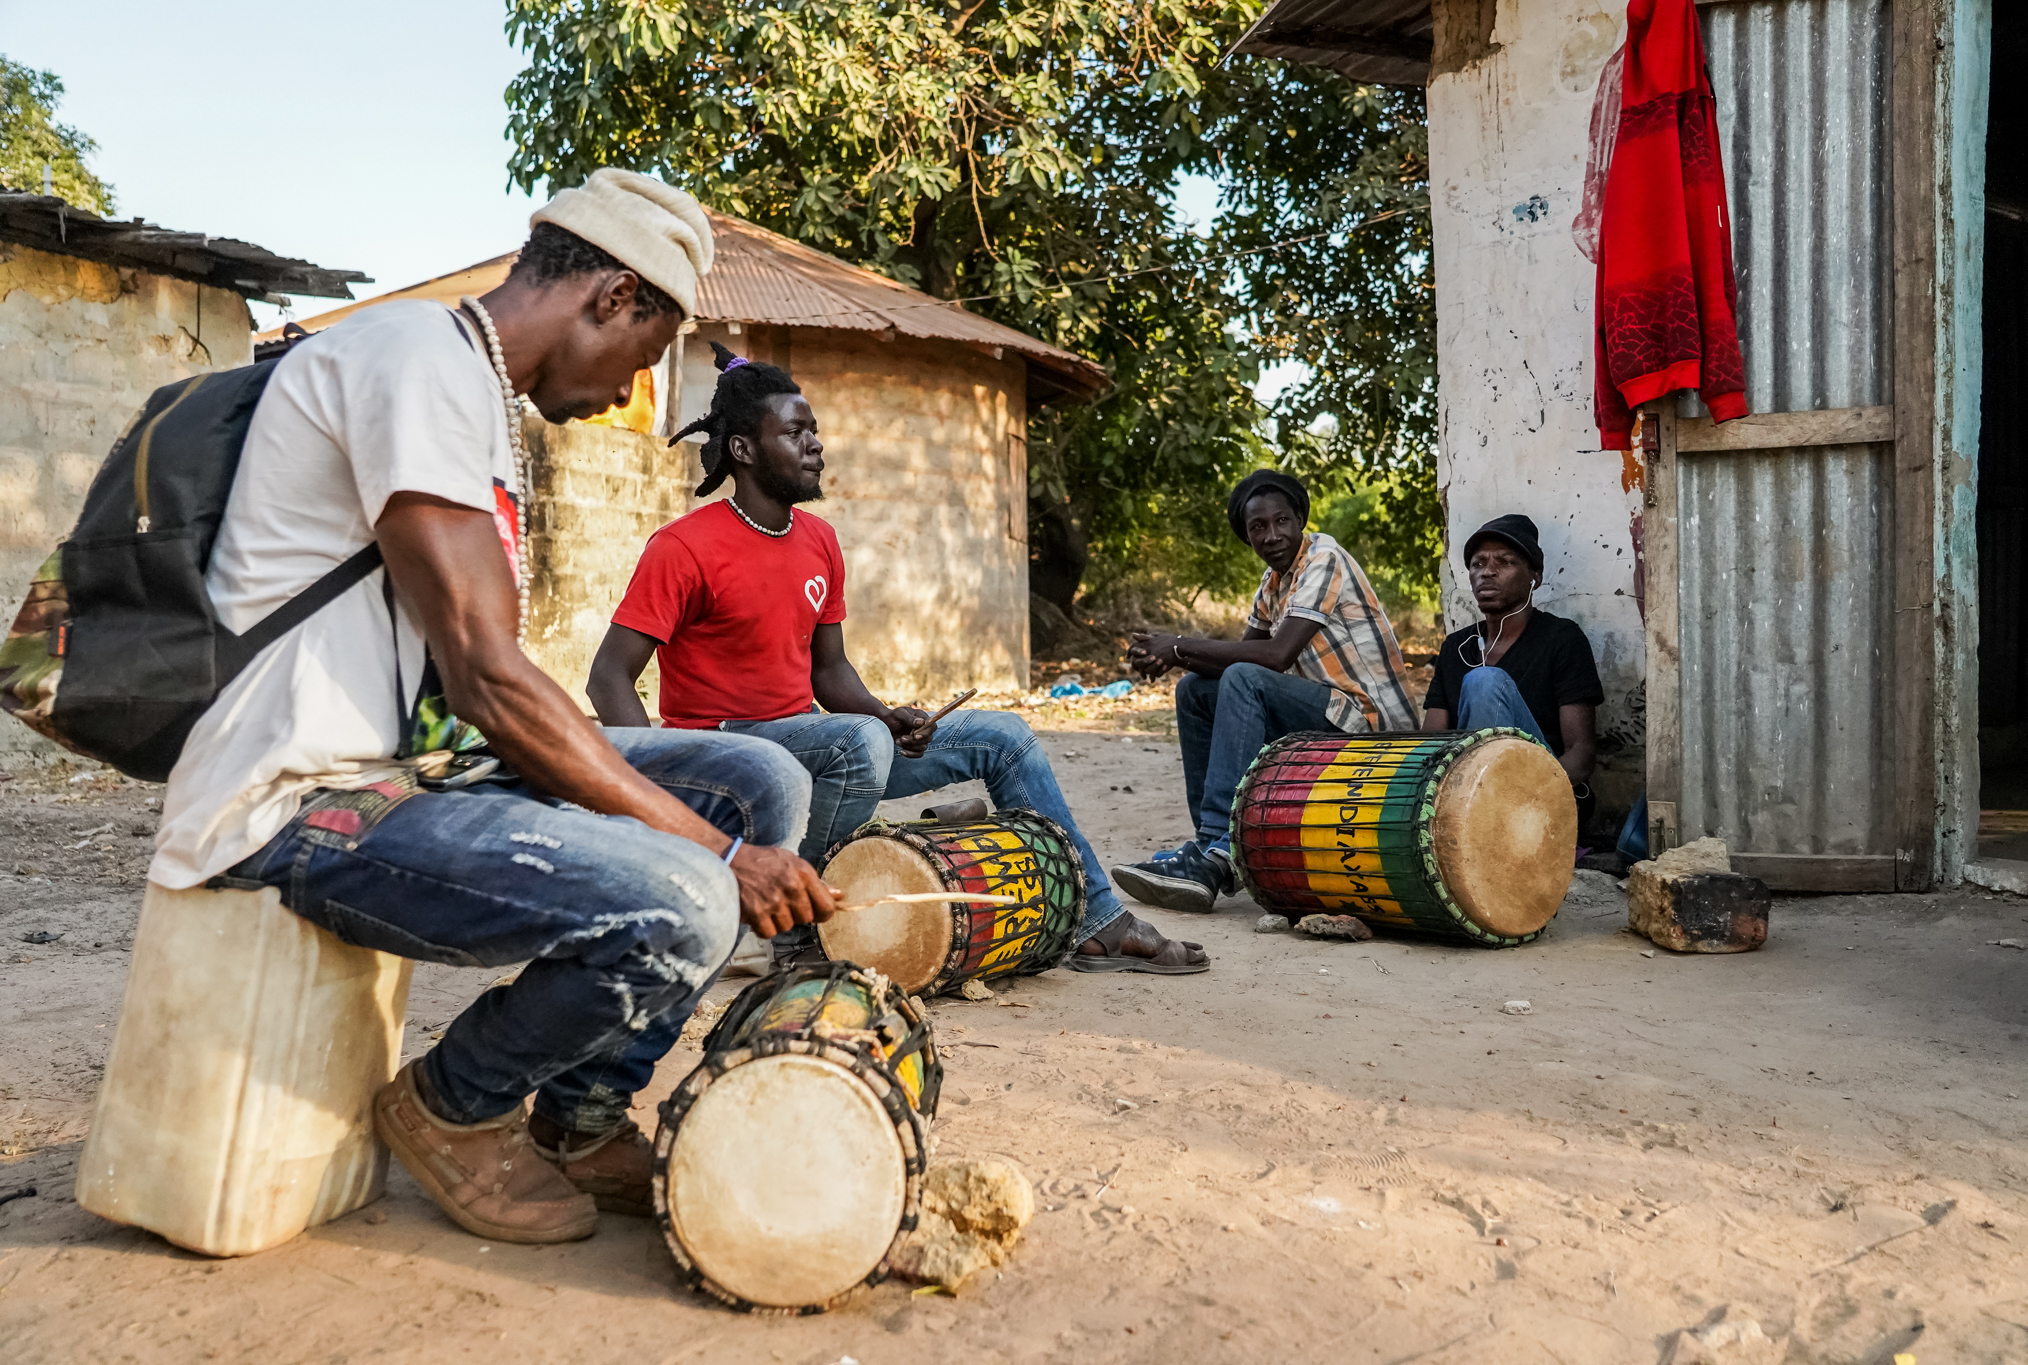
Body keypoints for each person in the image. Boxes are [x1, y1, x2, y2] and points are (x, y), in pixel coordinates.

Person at [158, 170, 841, 1247]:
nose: (627, 397)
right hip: (302, 798)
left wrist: (698, 822)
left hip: (411, 768)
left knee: (759, 778)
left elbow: (480, 678)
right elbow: (484, 672)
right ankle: (453, 1106)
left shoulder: (465, 390)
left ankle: (578, 1113)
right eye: (640, 360)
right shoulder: (415, 363)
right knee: (690, 894)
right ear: (612, 297)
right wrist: (709, 852)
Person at [583, 343, 1208, 976]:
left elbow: (829, 672)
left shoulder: (820, 541)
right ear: (742, 449)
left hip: (814, 745)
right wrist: (660, 794)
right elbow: (608, 677)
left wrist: (888, 718)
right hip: (730, 758)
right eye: (795, 432)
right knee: (856, 741)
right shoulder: (683, 547)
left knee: (1004, 736)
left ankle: (1099, 923)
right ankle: (795, 931)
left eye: (814, 431)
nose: (815, 445)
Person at [1116, 469, 1419, 913]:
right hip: (1327, 715)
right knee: (1197, 690)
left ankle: (1223, 849)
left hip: (1371, 726)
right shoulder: (1273, 583)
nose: (1272, 534)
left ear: (1300, 519)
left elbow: (1274, 657)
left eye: (1281, 521)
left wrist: (1178, 644)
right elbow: (1239, 655)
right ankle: (1205, 846)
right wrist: (1173, 658)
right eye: (1258, 527)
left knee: (1243, 678)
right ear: (1247, 537)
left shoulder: (1324, 558)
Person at [1421, 514, 1603, 818]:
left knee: (1484, 682)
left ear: (1535, 576)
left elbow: (1581, 755)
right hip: (1469, 801)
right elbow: (1431, 747)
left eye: (1504, 562)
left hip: (1541, 800)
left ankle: (1493, 821)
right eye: (1478, 564)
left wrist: (1529, 797)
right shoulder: (1455, 648)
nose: (1487, 573)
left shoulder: (1562, 639)